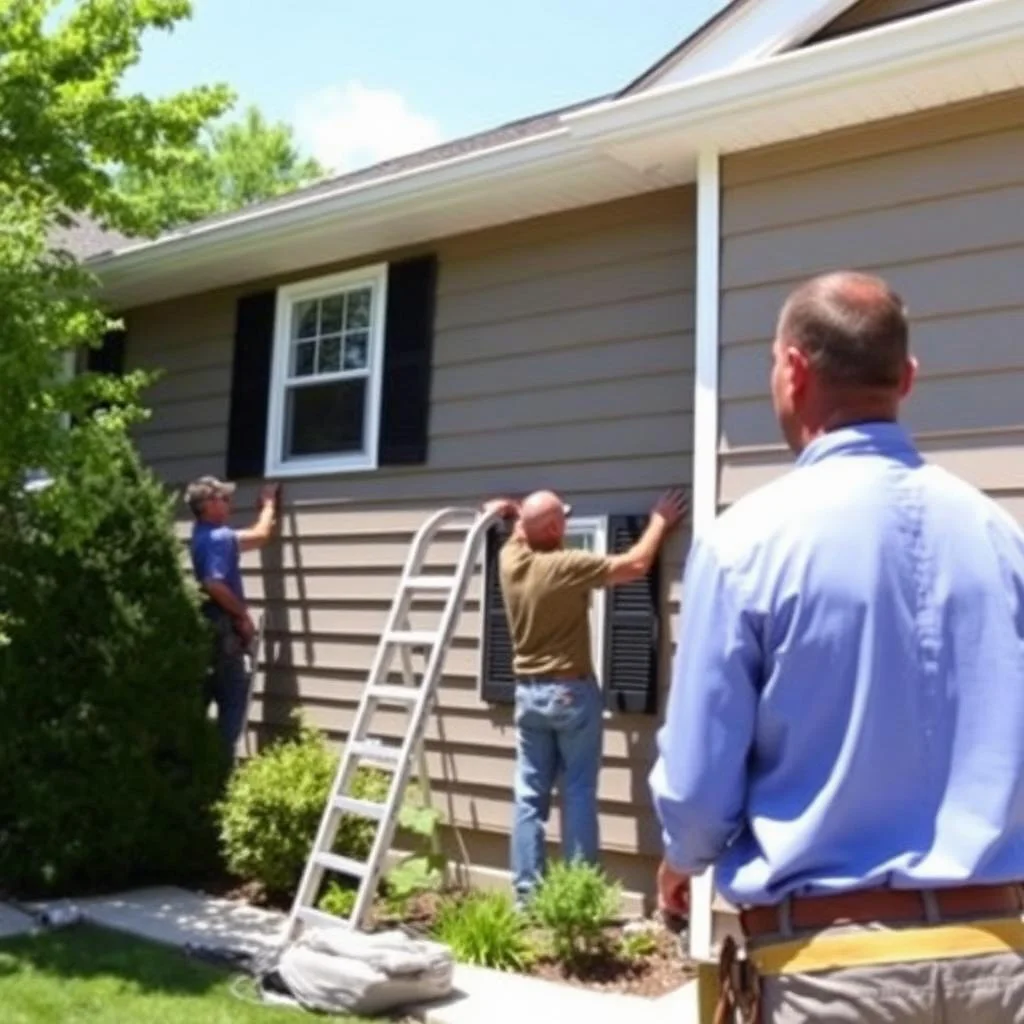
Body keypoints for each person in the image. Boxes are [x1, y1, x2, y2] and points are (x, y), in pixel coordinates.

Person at [650, 271, 1024, 1022]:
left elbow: (697, 790)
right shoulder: (1002, 539)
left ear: (794, 370)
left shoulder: (746, 543)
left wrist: (682, 858)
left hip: (830, 974)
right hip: (998, 961)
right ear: (907, 378)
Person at [483, 488, 688, 907]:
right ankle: (578, 898)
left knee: (529, 796)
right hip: (569, 694)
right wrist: (659, 522)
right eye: (563, 518)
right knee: (577, 792)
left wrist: (509, 511)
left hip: (528, 694)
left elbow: (522, 529)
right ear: (554, 529)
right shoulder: (565, 565)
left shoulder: (509, 559)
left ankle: (526, 898)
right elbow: (635, 564)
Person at [185, 475, 280, 758]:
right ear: (209, 504)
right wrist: (269, 503)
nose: (230, 503)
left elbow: (255, 537)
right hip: (223, 626)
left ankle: (196, 766)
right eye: (225, 498)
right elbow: (214, 583)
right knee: (233, 699)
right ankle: (221, 767)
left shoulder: (202, 535)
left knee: (204, 695)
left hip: (208, 626)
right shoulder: (219, 538)